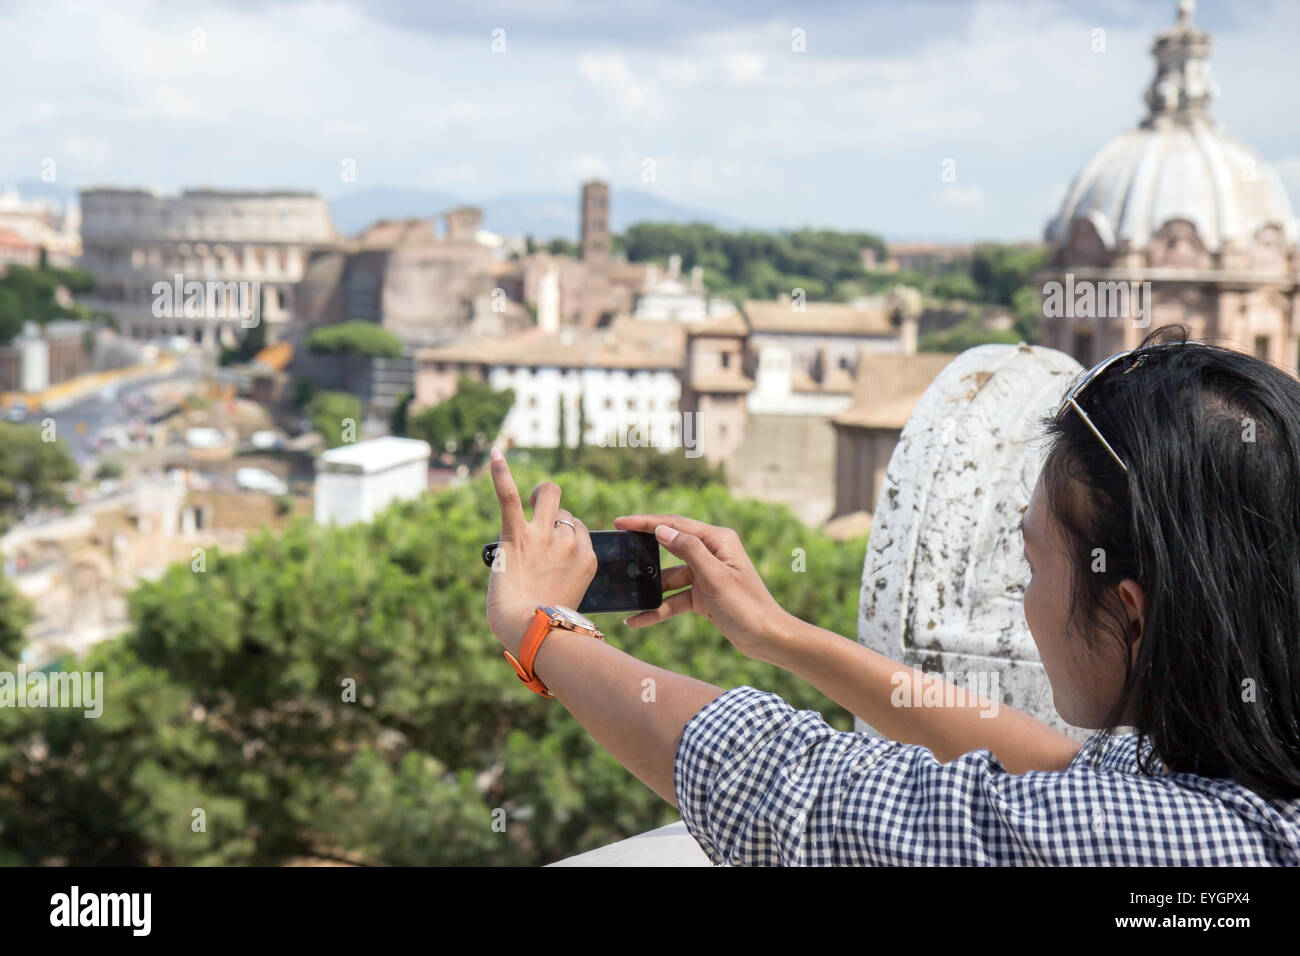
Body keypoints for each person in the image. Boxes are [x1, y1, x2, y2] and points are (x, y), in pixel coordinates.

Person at [483, 328, 1300, 865]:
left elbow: (793, 792)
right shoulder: (1239, 788)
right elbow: (1057, 766)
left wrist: (540, 633)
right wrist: (781, 636)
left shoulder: (1161, 856)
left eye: (1034, 561)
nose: (1025, 598)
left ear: (1129, 610)